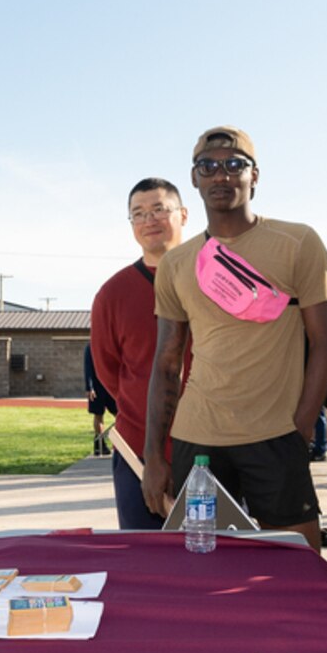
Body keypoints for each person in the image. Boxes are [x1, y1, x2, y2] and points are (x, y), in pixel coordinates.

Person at [143, 128, 327, 549]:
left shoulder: (298, 242)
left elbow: (326, 344)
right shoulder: (177, 263)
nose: (221, 175)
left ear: (255, 176)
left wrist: (301, 427)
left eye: (234, 165)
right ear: (194, 179)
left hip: (276, 435)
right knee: (205, 571)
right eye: (208, 166)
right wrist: (153, 458)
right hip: (197, 440)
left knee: (298, 566)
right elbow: (167, 363)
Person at [92, 179, 190, 529]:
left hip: (211, 446)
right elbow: (108, 371)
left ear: (183, 214)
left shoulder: (211, 278)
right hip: (138, 451)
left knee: (215, 563)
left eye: (159, 209)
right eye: (138, 213)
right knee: (144, 563)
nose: (149, 219)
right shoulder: (113, 293)